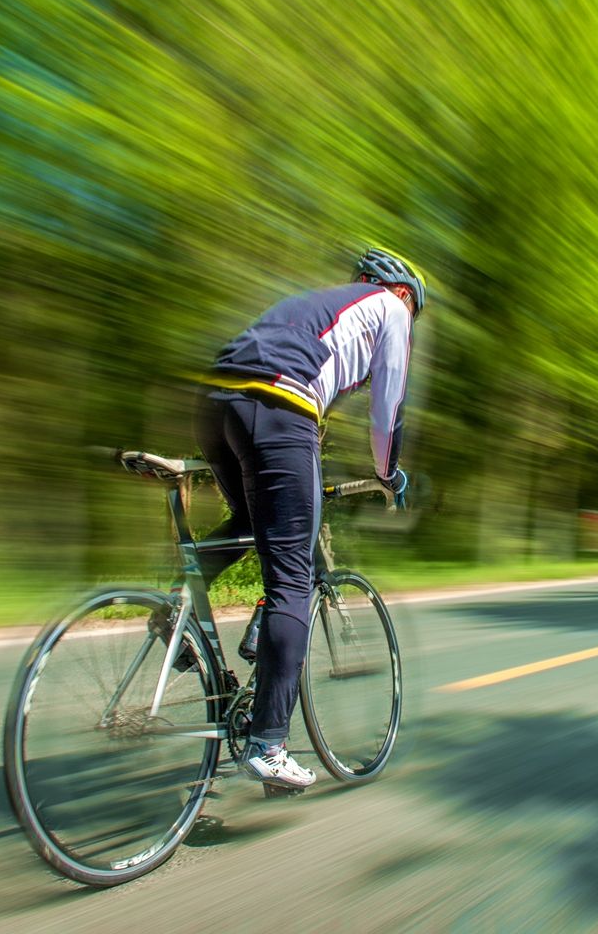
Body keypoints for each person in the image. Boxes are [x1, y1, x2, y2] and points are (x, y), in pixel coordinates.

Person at [194, 247, 426, 791]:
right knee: (293, 579)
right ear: (402, 292)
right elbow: (386, 410)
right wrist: (389, 473)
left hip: (213, 401)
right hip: (278, 408)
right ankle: (269, 743)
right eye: (413, 309)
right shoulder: (390, 310)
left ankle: (176, 610)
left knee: (254, 524)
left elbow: (311, 385)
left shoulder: (316, 308)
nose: (409, 319)